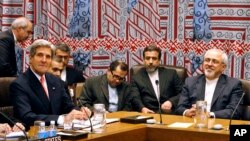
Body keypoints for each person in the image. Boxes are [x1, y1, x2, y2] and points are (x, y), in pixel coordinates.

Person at [10, 39, 90, 127]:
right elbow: (27, 116)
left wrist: (80, 112)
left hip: (60, 132)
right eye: (40, 55)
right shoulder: (19, 84)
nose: (44, 60)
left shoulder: (56, 81)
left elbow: (68, 106)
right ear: (30, 58)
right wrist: (61, 119)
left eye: (48, 56)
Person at [175, 48, 243, 119]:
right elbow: (180, 107)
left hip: (219, 125)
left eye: (215, 61)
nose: (209, 64)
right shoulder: (190, 82)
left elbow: (235, 111)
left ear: (223, 67)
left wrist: (210, 114)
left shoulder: (233, 84)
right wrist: (187, 112)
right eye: (207, 60)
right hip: (195, 123)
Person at [130, 45, 183, 114]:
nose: (151, 61)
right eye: (148, 58)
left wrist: (171, 102)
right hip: (148, 113)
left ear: (159, 61)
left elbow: (182, 93)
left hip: (170, 114)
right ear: (144, 60)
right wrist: (142, 108)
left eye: (154, 58)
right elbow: (135, 97)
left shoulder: (171, 74)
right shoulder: (137, 77)